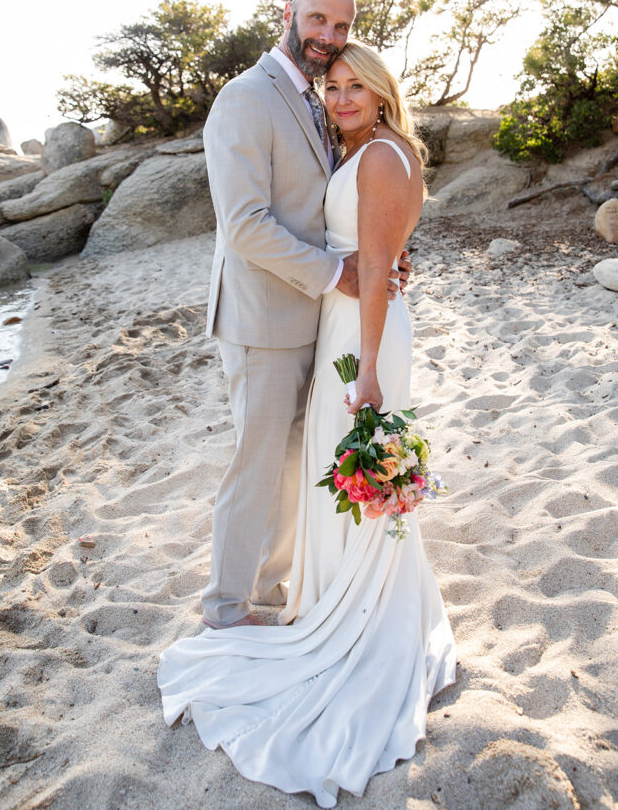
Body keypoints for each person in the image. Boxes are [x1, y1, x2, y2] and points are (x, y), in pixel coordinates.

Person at [159, 41, 456, 807]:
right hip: (340, 321)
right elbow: (374, 251)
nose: (343, 97)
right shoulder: (362, 151)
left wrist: (366, 370)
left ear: (384, 91)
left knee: (345, 468)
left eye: (358, 86)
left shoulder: (384, 158)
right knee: (332, 474)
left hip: (360, 336)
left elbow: (380, 271)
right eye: (333, 86)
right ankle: (330, 600)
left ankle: (363, 612)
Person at [199, 0, 407, 629]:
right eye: (318, 20)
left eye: (341, 27)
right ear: (287, 15)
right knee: (257, 465)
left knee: (293, 466)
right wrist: (335, 273)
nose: (328, 37)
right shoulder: (245, 99)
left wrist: (378, 256)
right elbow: (245, 224)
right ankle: (226, 607)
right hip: (262, 319)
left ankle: (267, 588)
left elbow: (335, 206)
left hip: (315, 316)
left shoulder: (317, 100)